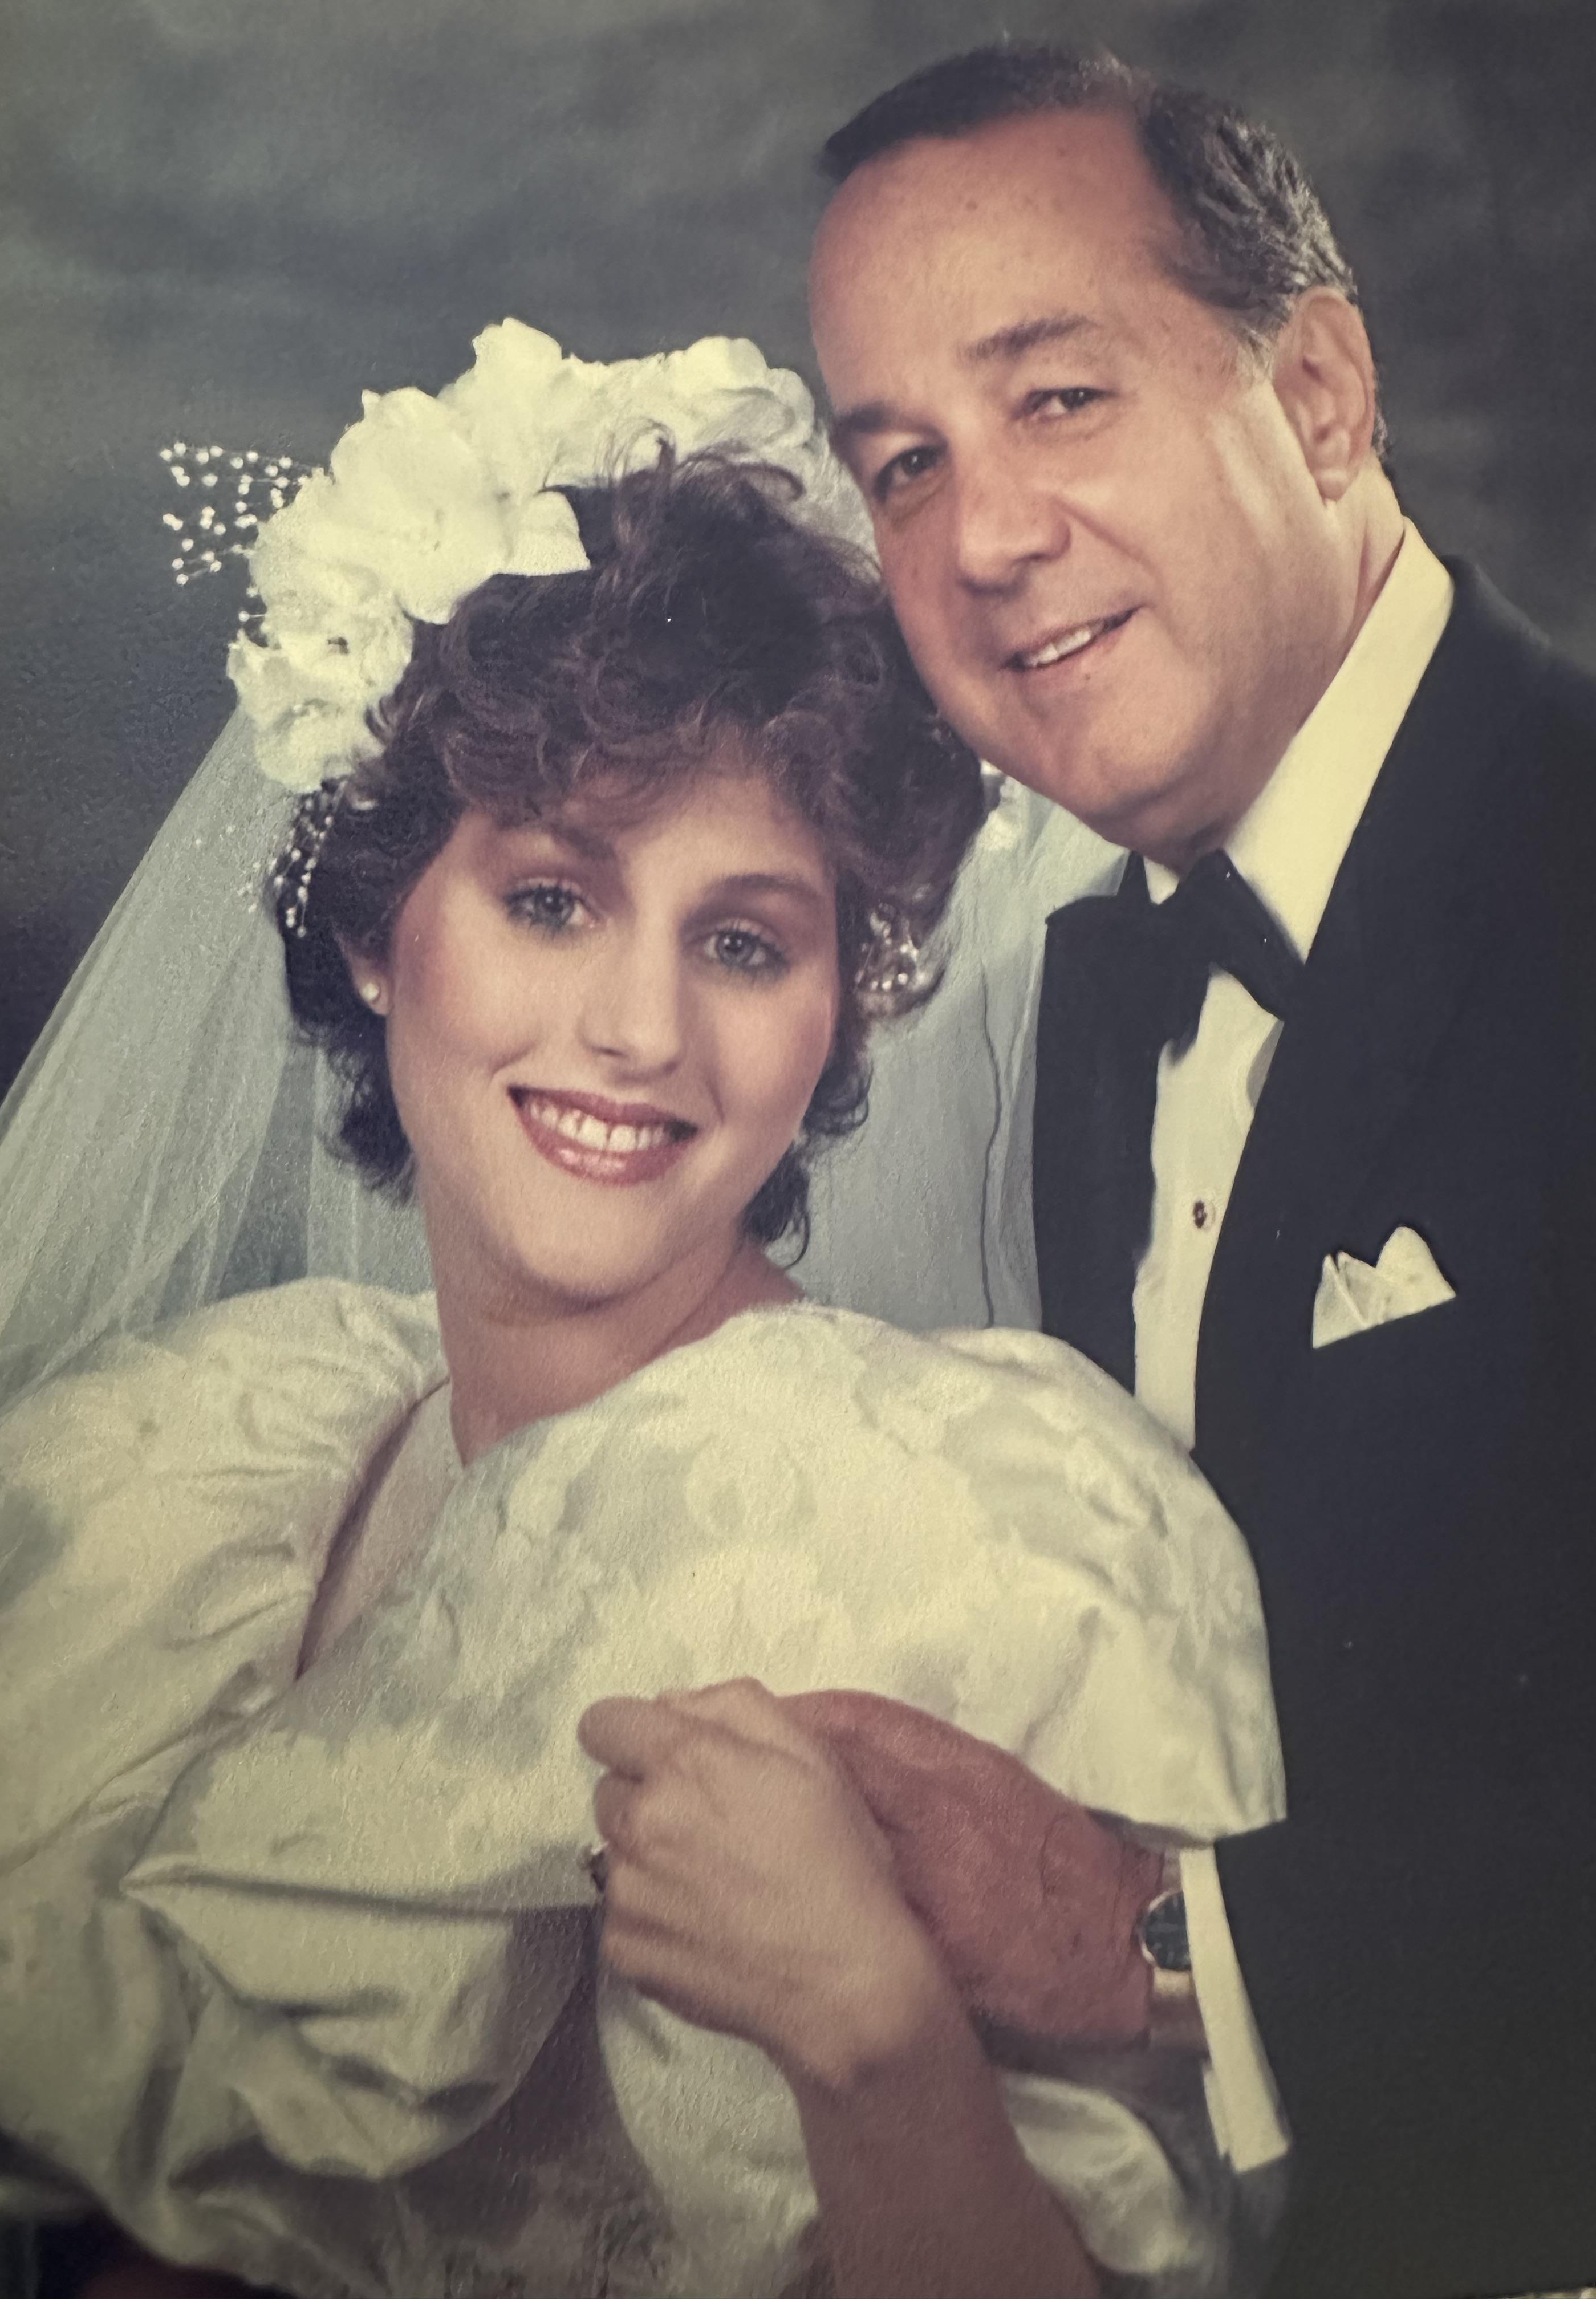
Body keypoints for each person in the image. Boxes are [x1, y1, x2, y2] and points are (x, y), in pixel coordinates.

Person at [0, 328, 1283, 2299]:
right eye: (553, 900)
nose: (643, 1032)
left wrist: (876, 2036)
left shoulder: (985, 1525)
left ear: (838, 1013)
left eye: (744, 940)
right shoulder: (205, 1469)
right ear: (382, 932)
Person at [790, 41, 1596, 2299]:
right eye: (904, 463)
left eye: (1059, 399)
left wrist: (1147, 1938)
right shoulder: (1087, 1002)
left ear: (1321, 391)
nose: (978, 535)